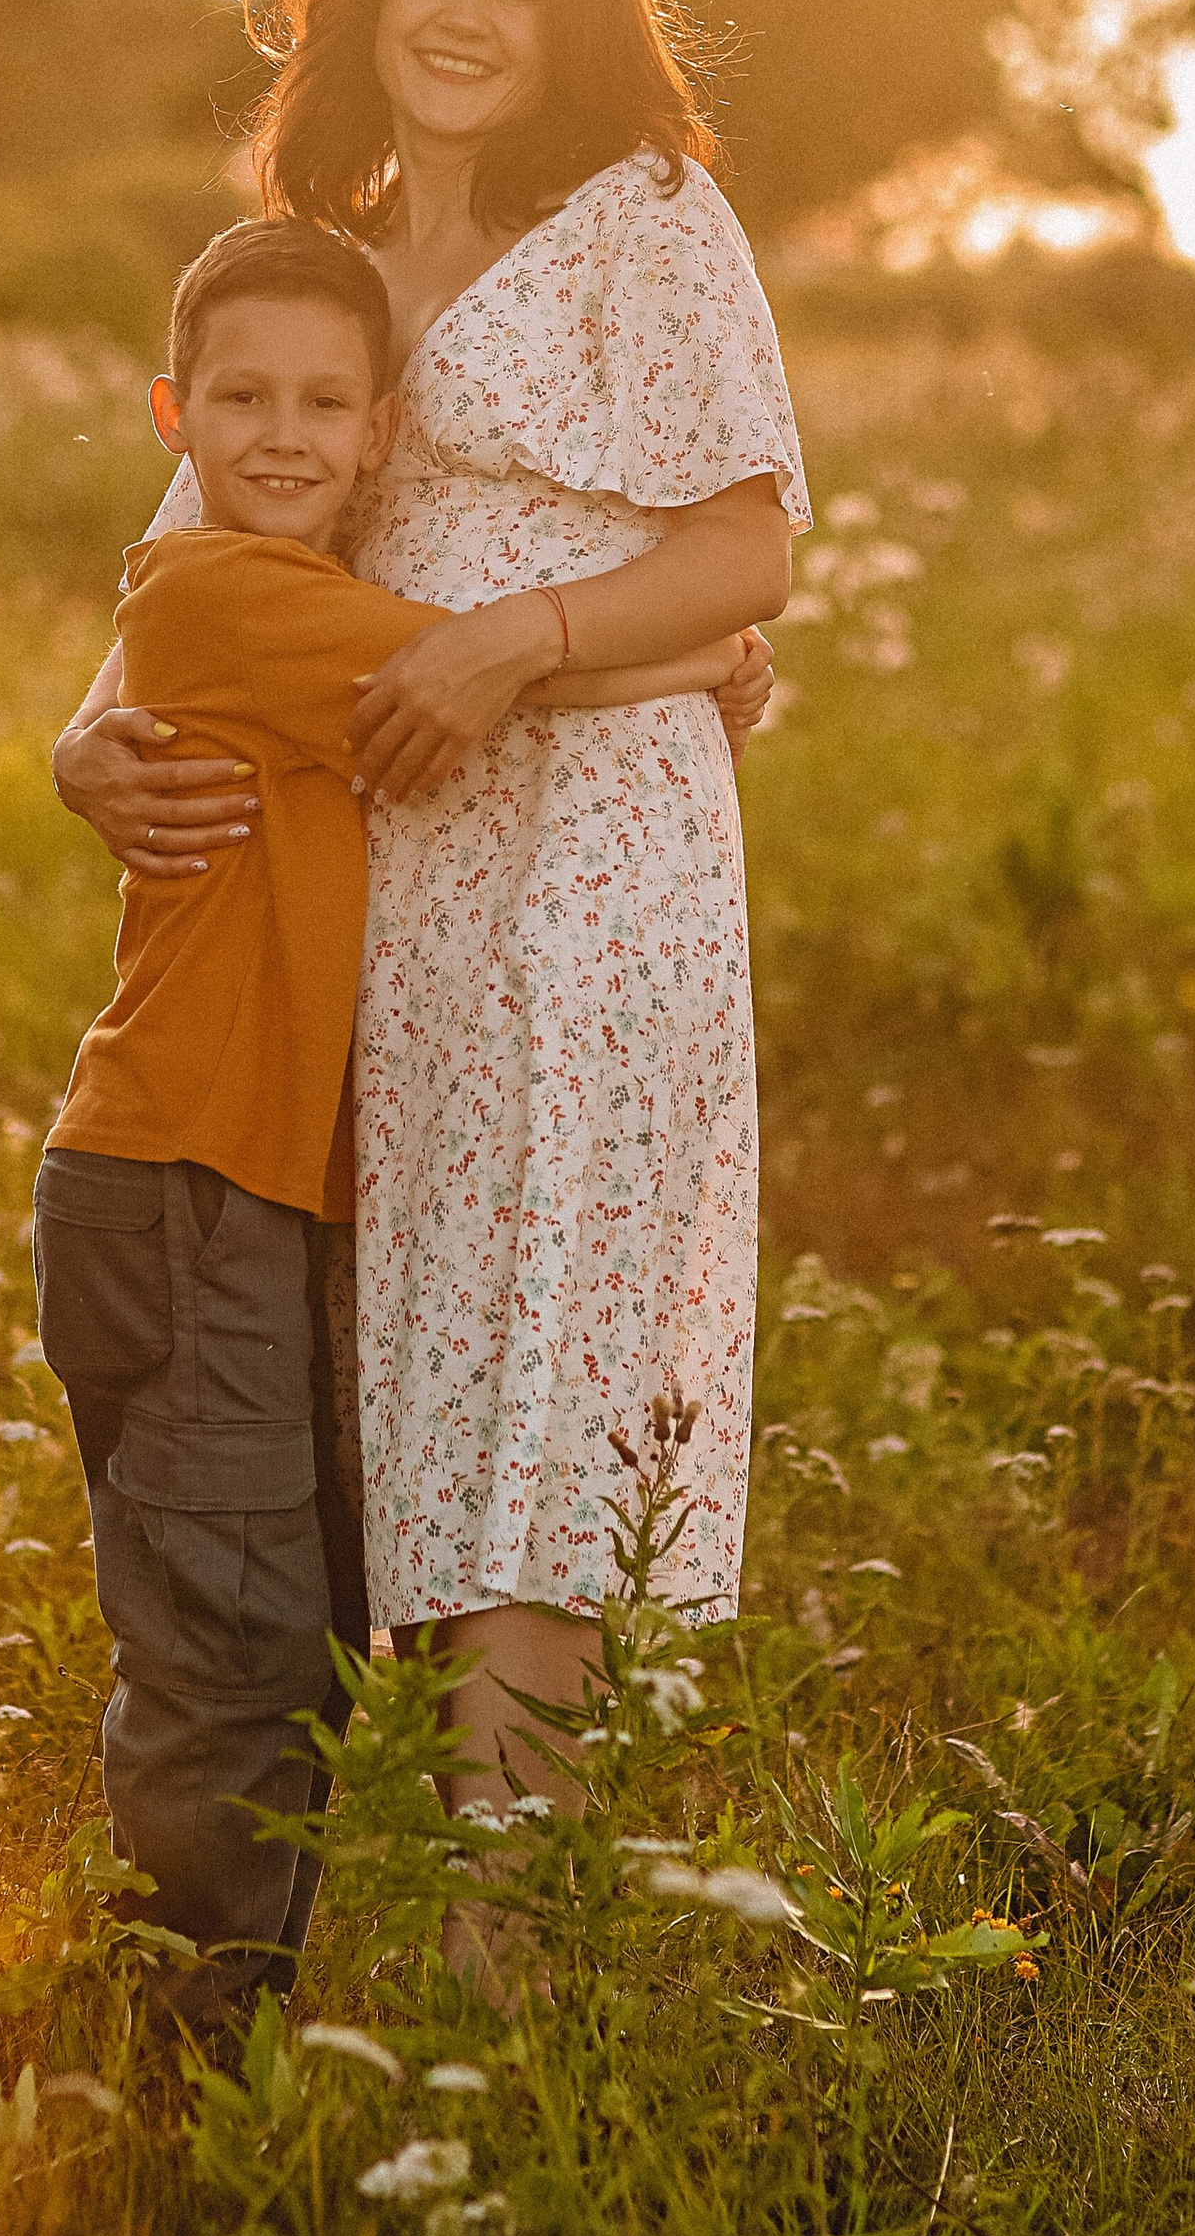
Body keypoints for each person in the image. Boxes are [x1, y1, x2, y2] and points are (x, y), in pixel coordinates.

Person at [56, 0, 805, 1888]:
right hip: (378, 873)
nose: (467, 17)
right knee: (407, 1353)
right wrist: (85, 741)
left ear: (574, 27)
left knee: (548, 1363)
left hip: (588, 864)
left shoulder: (645, 219)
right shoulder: (333, 245)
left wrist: (526, 646)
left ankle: (503, 1954)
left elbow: (747, 547)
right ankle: (414, 1923)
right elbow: (189, 552)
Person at [37, 213, 746, 2041]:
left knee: (295, 1614)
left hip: (259, 1184)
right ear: (170, 417)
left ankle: (233, 2013)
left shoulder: (285, 586)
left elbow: (472, 675)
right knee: (230, 1650)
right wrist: (698, 661)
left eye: (325, 401)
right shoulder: (222, 595)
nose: (282, 431)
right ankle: (181, 2055)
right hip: (181, 1179)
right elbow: (475, 679)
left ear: (381, 437)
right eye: (242, 397)